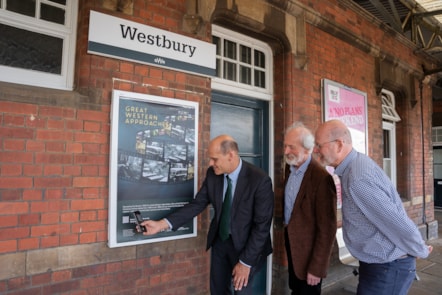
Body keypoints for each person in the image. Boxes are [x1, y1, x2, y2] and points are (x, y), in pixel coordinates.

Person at [140, 134, 274, 295]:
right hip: (220, 242)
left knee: (242, 292)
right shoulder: (213, 174)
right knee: (217, 290)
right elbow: (197, 204)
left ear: (230, 155)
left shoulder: (259, 180)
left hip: (248, 246)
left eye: (214, 159)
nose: (210, 163)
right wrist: (161, 224)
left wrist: (245, 263)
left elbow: (262, 227)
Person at [314, 119, 433, 295]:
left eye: (318, 145)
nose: (315, 150)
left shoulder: (358, 179)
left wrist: (419, 249)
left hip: (387, 268)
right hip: (382, 266)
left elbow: (395, 221)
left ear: (339, 145)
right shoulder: (354, 167)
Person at [283, 122, 337, 295]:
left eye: (291, 147)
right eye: (285, 146)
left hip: (310, 257)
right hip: (292, 249)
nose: (286, 152)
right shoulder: (289, 169)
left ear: (307, 149)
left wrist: (317, 267)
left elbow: (327, 229)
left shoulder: (321, 179)